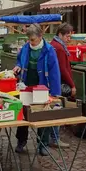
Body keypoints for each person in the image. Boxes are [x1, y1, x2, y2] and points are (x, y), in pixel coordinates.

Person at [13, 24, 61, 155]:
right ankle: (21, 141)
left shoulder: (49, 50)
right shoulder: (25, 48)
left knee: (42, 115)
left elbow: (54, 72)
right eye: (29, 39)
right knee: (23, 114)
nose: (30, 42)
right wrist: (17, 67)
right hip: (26, 84)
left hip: (42, 86)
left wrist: (55, 93)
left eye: (33, 39)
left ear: (41, 36)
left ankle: (43, 144)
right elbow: (19, 61)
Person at [50, 23, 76, 148]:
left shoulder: (54, 44)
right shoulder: (59, 48)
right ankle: (55, 138)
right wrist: (72, 84)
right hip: (58, 82)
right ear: (60, 34)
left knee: (53, 108)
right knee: (56, 109)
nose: (69, 38)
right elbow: (63, 68)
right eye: (67, 36)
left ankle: (51, 137)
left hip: (55, 81)